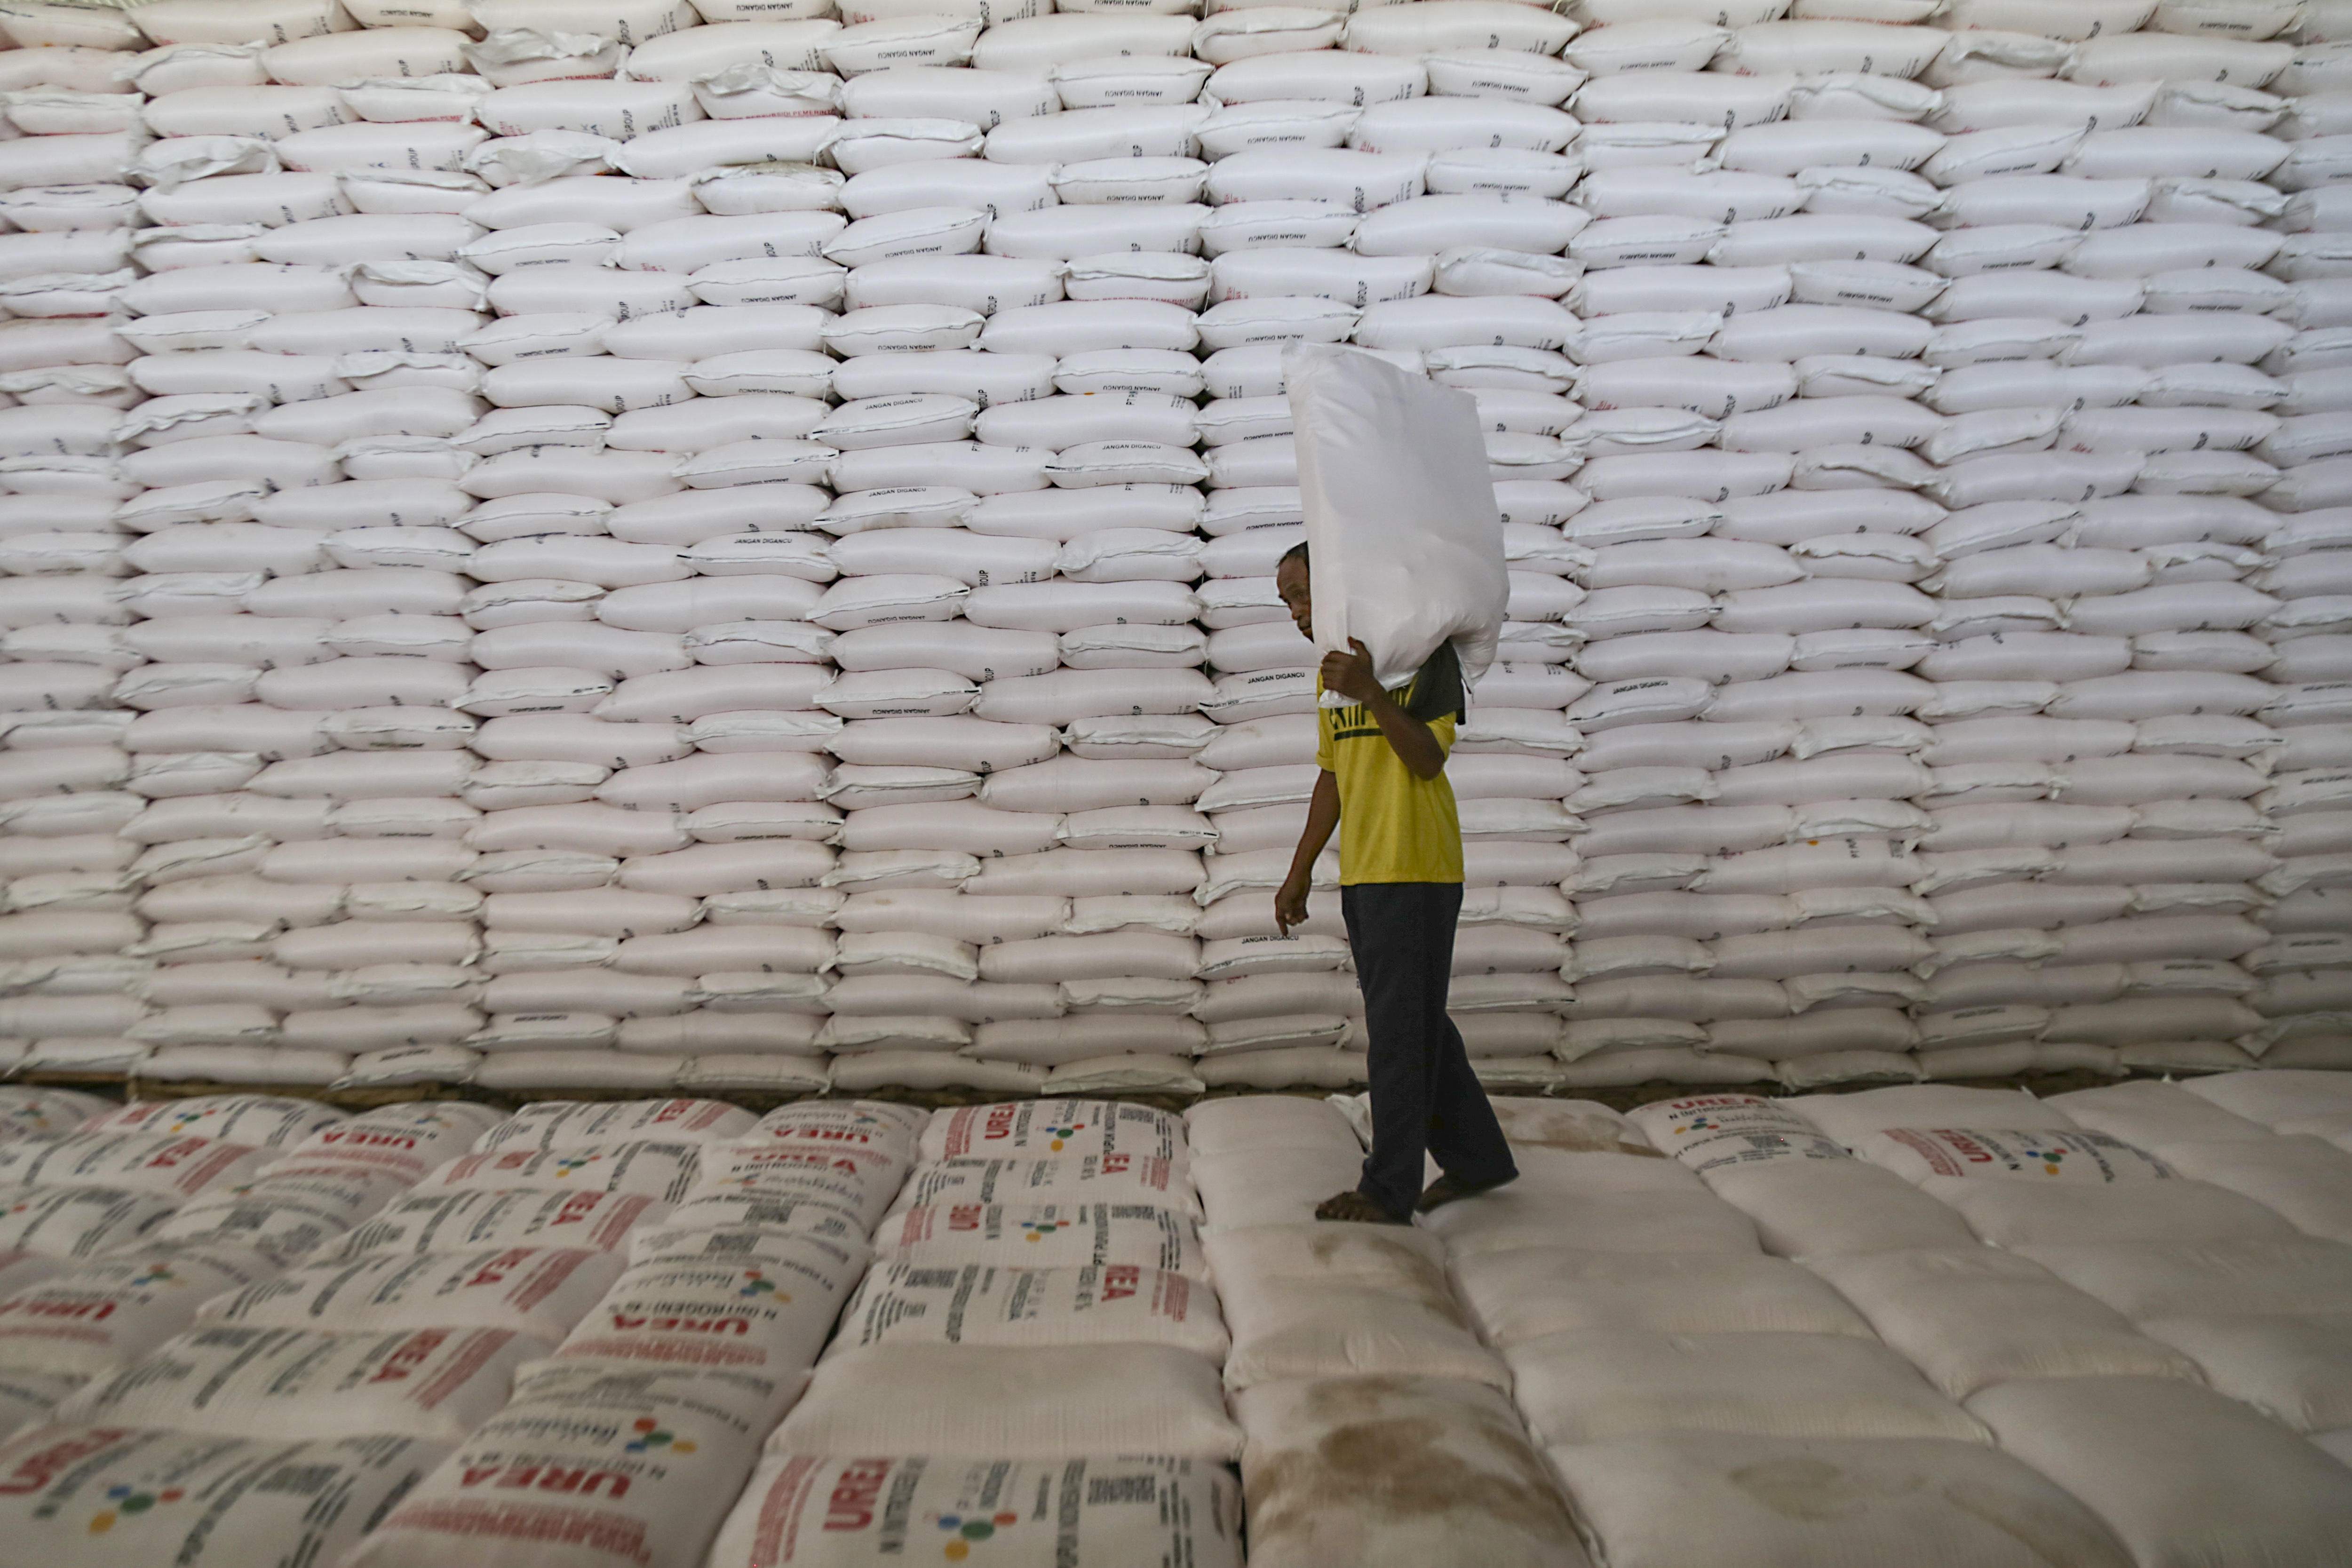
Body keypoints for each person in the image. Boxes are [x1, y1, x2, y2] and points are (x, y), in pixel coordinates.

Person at [1272, 541, 1518, 1226]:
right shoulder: (1330, 675)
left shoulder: (1422, 654)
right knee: (1417, 1024)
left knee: (1399, 1035)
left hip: (1418, 867)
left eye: (1303, 593)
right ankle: (1479, 1159)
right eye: (1286, 600)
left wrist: (1373, 691)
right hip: (1367, 871)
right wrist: (1299, 871)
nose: (1296, 611)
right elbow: (1333, 776)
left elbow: (1428, 759)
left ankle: (1389, 1188)